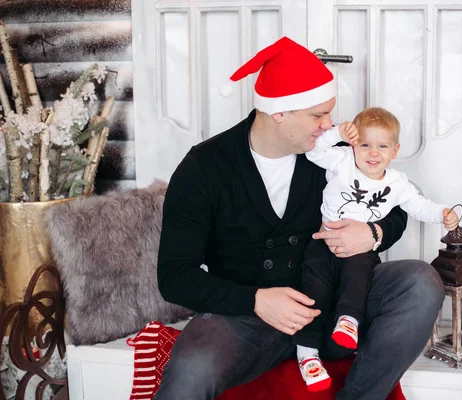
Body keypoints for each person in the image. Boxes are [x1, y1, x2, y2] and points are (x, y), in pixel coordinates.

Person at [154, 36, 445, 400]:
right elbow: (175, 276)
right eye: (317, 115)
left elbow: (399, 202)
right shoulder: (205, 167)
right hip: (246, 316)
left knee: (420, 281)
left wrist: (372, 232)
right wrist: (256, 300)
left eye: (329, 113)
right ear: (280, 112)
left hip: (337, 298)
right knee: (192, 372)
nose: (329, 125)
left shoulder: (332, 155)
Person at [291, 107, 459, 391]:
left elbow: (418, 206)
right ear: (353, 144)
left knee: (357, 280)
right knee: (314, 292)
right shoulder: (342, 161)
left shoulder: (397, 184)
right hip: (322, 245)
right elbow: (315, 152)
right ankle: (308, 356)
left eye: (382, 146)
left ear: (395, 151)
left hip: (359, 250)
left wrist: (443, 213)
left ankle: (348, 322)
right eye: (365, 144)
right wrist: (337, 134)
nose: (372, 153)